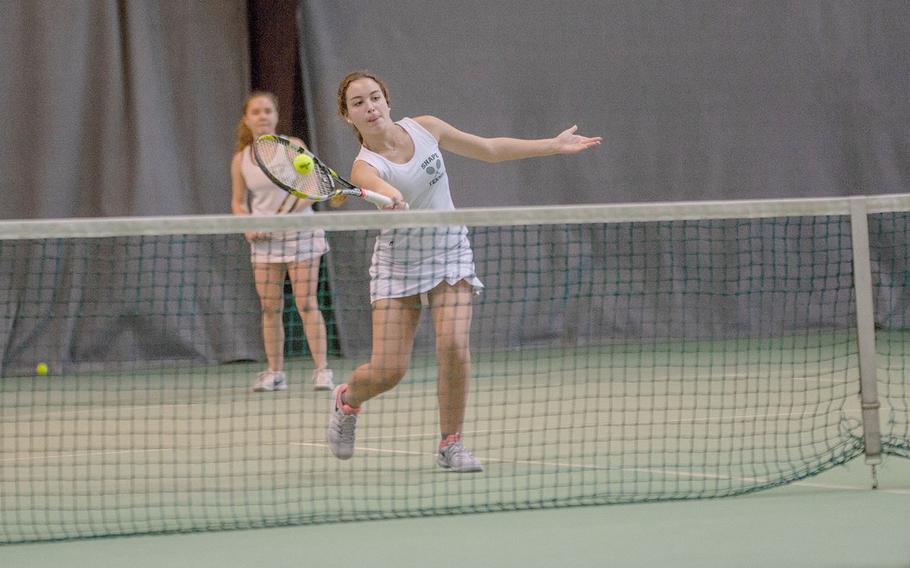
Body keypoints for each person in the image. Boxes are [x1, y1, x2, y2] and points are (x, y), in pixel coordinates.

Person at [326, 71, 602, 472]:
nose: (370, 107)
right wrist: (391, 196)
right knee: (388, 371)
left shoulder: (426, 128)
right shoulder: (364, 166)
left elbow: (489, 148)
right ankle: (347, 400)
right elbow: (377, 186)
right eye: (358, 103)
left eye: (374, 98)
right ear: (348, 116)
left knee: (454, 345)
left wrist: (553, 146)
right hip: (398, 263)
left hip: (448, 250)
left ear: (388, 101)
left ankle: (451, 443)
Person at [230, 91, 335, 393]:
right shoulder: (241, 159)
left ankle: (322, 371)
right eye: (256, 112)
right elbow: (238, 202)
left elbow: (311, 186)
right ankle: (275, 372)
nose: (262, 116)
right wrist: (249, 226)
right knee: (269, 307)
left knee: (306, 303)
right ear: (247, 119)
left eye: (267, 111)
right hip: (264, 242)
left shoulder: (295, 147)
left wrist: (282, 217)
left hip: (301, 233)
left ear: (276, 116)